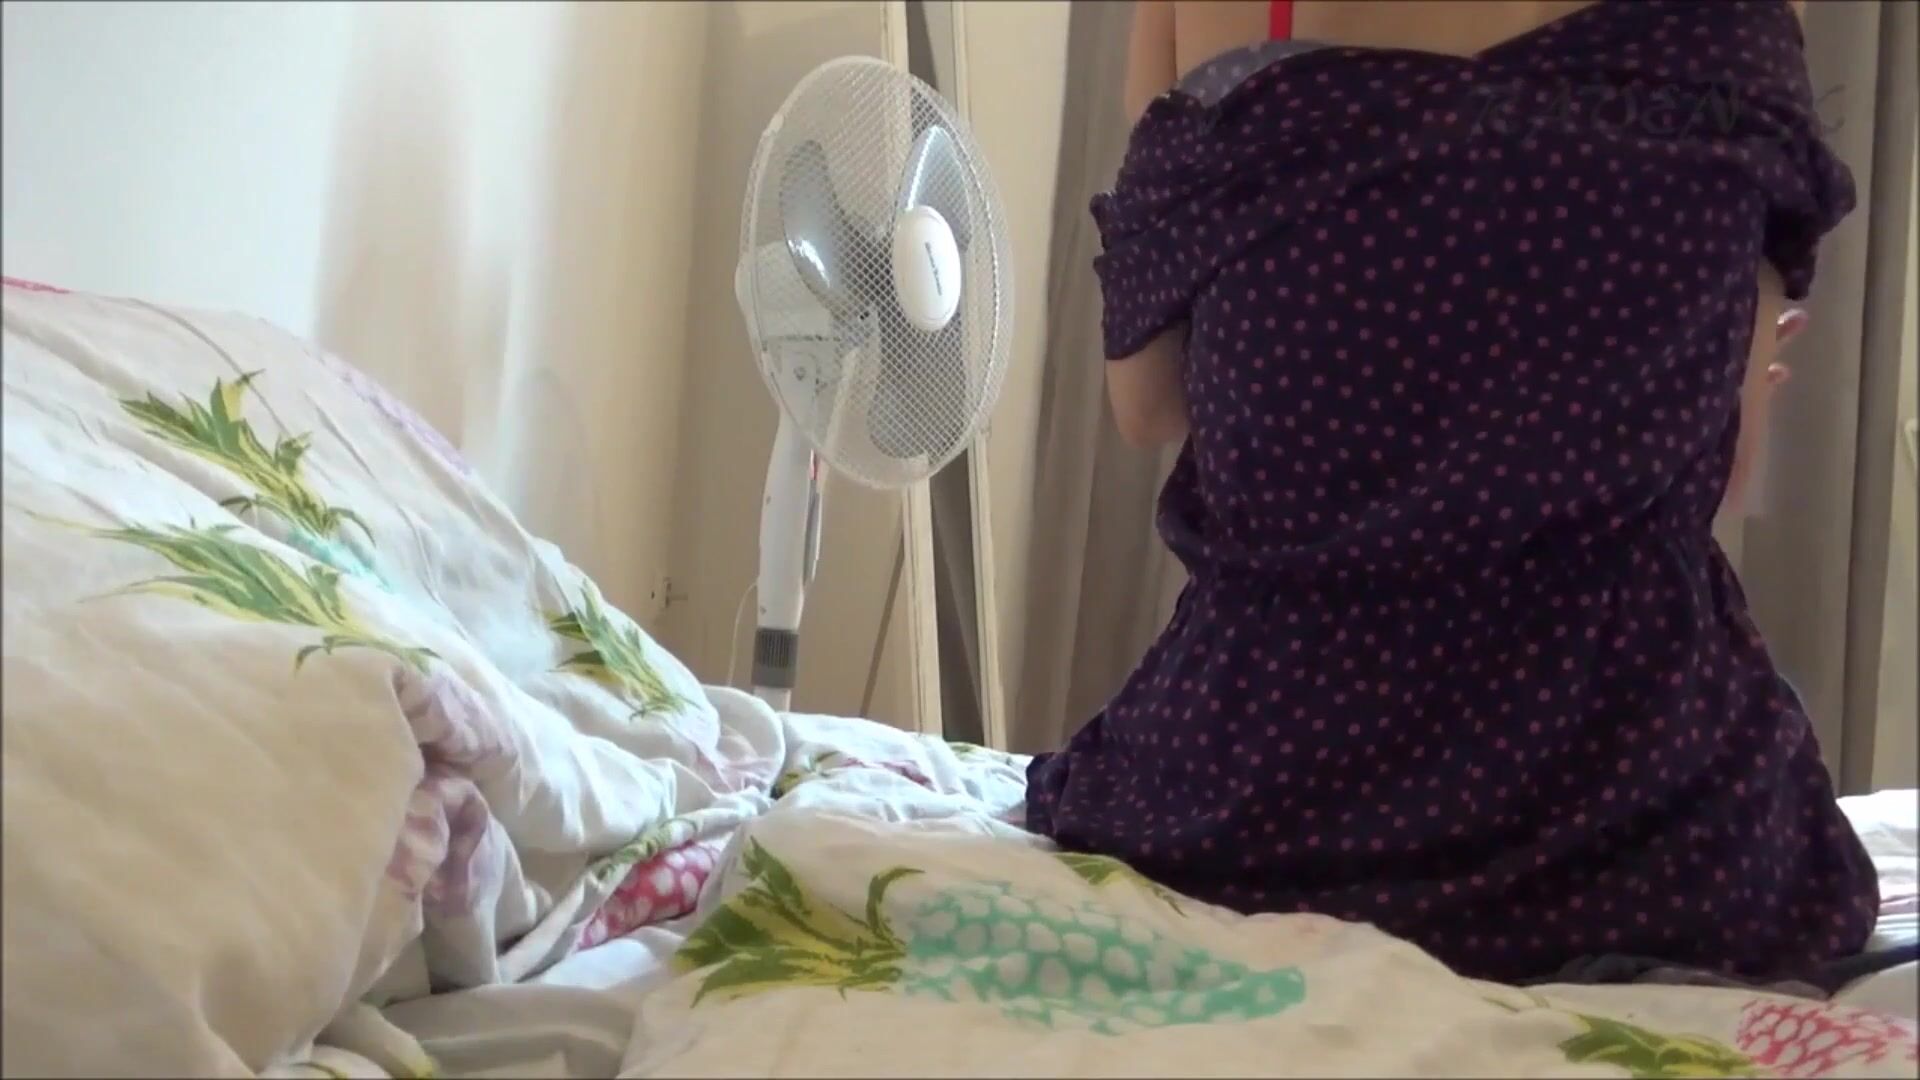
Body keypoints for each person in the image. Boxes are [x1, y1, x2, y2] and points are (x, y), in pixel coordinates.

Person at [1024, 0, 1882, 986]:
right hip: (1659, 824)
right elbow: (1730, 465)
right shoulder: (1738, 21)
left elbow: (1148, 405)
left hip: (1264, 803)